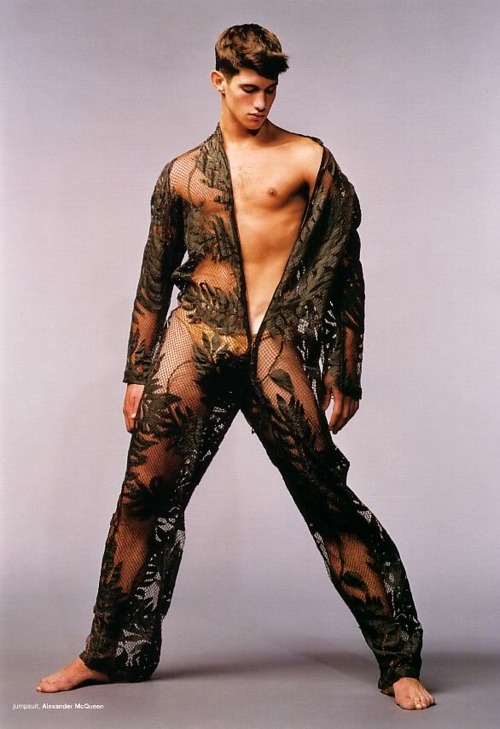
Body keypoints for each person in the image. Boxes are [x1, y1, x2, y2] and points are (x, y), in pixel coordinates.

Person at [37, 24, 435, 710]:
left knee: (327, 496)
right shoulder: (183, 174)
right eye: (248, 88)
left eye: (270, 90)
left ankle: (398, 661)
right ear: (218, 81)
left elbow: (345, 265)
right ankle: (104, 653)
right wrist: (136, 372)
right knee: (142, 495)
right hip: (195, 336)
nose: (260, 102)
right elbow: (154, 274)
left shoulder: (307, 159)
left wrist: (344, 369)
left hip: (273, 343)